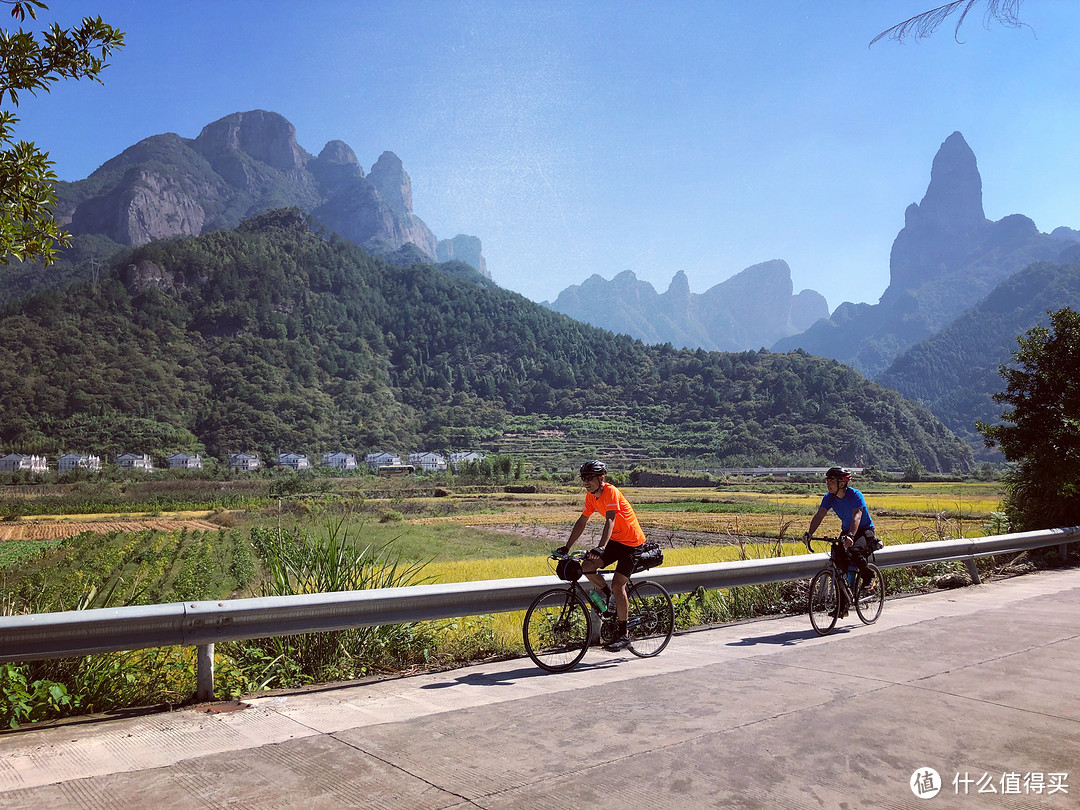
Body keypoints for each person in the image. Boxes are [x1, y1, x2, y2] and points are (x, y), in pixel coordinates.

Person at [557, 460, 647, 652]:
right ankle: (609, 597)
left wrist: (600, 547)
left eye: (590, 478)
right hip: (616, 541)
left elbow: (610, 519)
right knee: (587, 567)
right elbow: (582, 521)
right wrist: (567, 547)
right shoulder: (591, 497)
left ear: (601, 478)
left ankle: (625, 636)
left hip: (632, 543)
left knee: (618, 585)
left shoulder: (611, 491)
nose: (586, 482)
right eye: (584, 478)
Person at [803, 467, 879, 615]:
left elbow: (857, 517)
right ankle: (842, 607)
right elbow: (819, 515)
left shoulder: (855, 495)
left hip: (864, 530)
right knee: (839, 565)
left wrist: (851, 536)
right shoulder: (829, 497)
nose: (828, 484)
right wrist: (809, 533)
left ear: (842, 483)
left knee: (855, 550)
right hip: (847, 531)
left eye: (831, 481)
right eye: (827, 481)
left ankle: (868, 576)